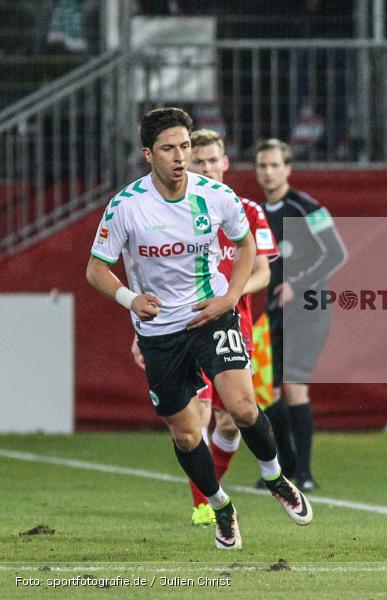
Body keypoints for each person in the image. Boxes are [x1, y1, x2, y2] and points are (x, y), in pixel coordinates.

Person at [86, 107, 312, 551]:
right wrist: (131, 299)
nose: (180, 157)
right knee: (188, 433)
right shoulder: (127, 206)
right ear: (148, 154)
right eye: (169, 148)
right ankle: (220, 506)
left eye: (185, 147)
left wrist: (229, 297)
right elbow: (96, 269)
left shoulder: (216, 197)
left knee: (243, 406)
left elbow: (247, 246)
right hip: (160, 333)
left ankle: (276, 477)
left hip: (212, 317)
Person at [255, 138, 347, 492]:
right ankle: (287, 466)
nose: (268, 172)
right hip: (275, 312)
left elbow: (336, 254)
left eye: (275, 165)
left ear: (288, 169)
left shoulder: (307, 207)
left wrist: (296, 283)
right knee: (266, 393)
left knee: (293, 387)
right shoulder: (256, 213)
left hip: (309, 308)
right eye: (262, 166)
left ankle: (305, 474)